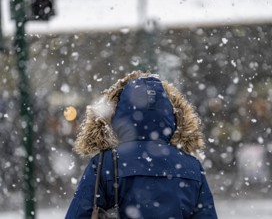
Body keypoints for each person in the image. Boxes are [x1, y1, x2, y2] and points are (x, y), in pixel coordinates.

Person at [65, 71, 218, 218]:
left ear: (118, 115)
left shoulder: (105, 164)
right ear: (173, 115)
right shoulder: (191, 167)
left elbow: (79, 213)